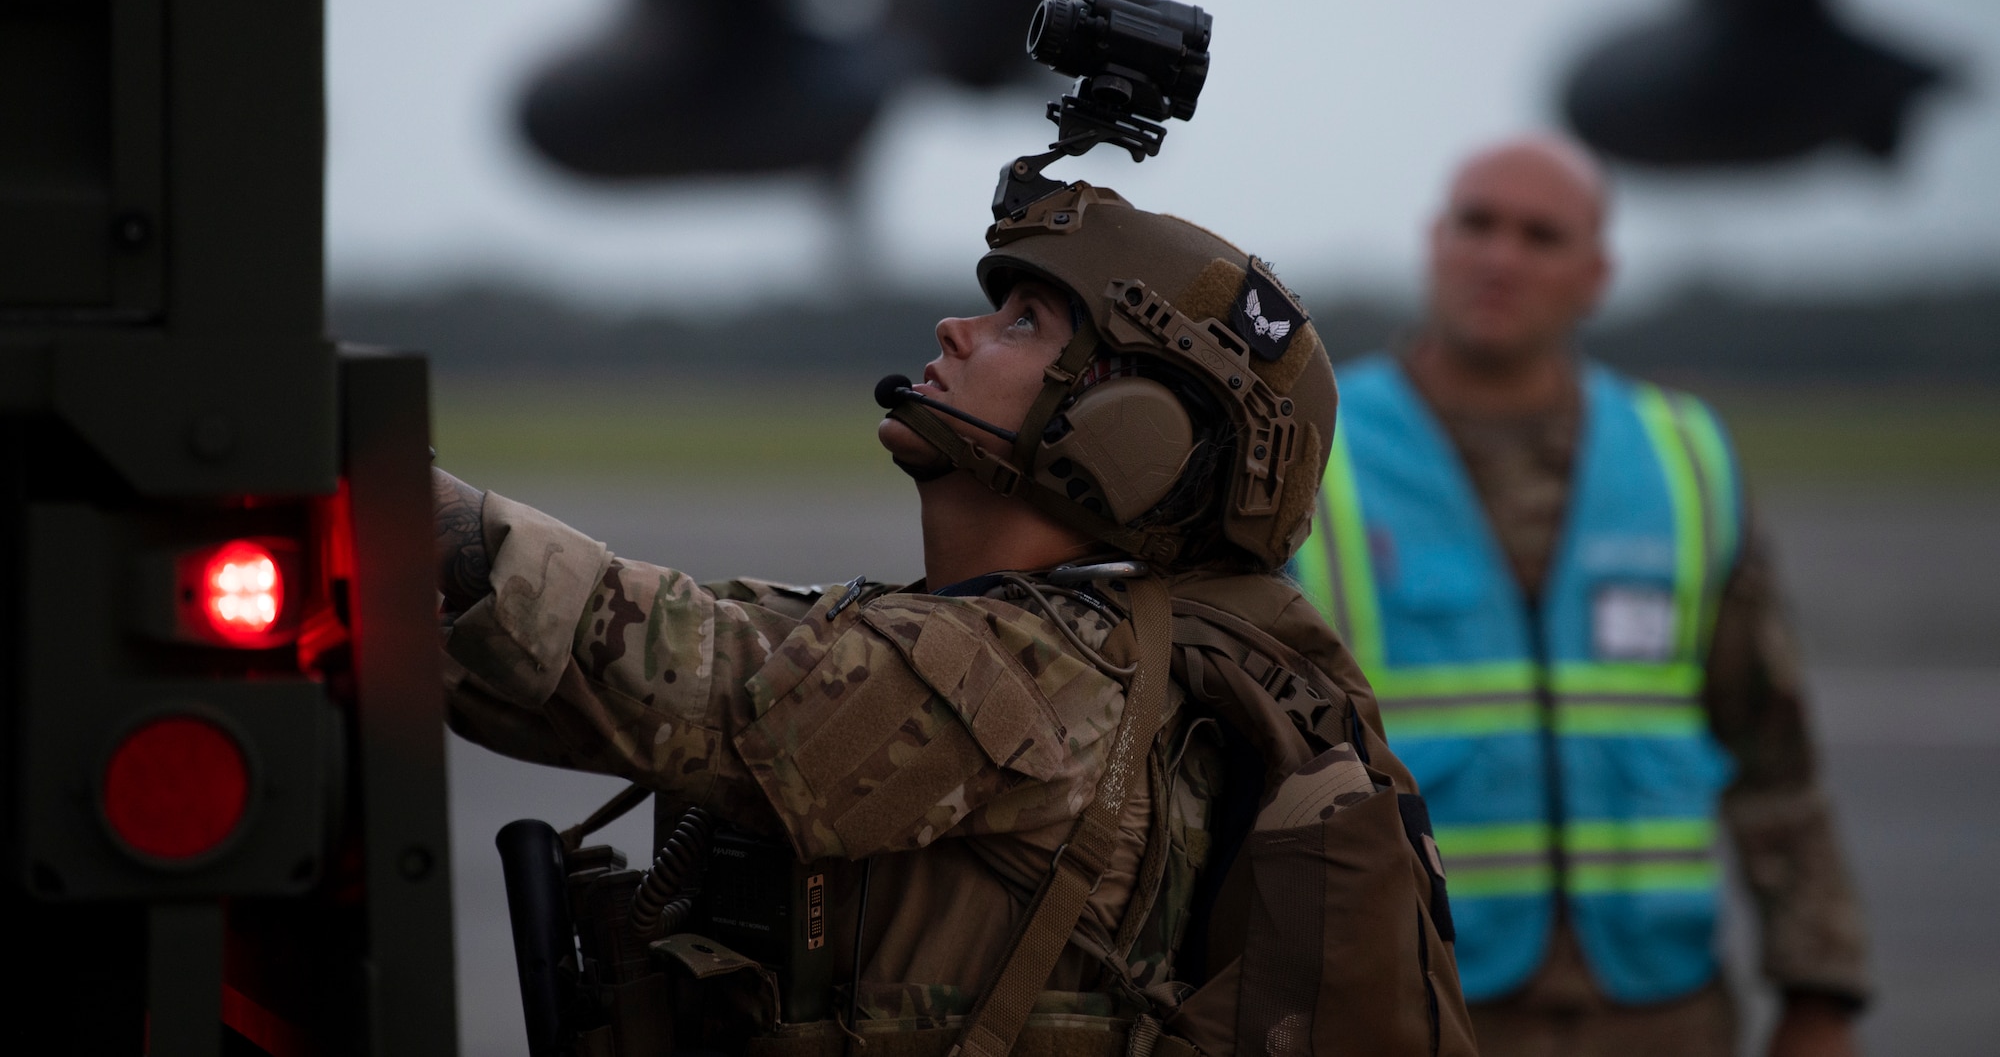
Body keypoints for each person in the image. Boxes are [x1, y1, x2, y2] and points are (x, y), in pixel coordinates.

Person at [432, 179, 1473, 1057]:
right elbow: (737, 646)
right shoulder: (1012, 637)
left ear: (1131, 433)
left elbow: (695, 677)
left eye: (1024, 322)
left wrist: (395, 496)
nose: (955, 329)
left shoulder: (1058, 677)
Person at [1290, 136, 1870, 1057]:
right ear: (1435, 240)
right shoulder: (1310, 452)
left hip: (1660, 1008)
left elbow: (1773, 751)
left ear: (1597, 274)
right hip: (1406, 1003)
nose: (1500, 255)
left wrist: (1820, 989)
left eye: (1541, 235)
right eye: (1476, 223)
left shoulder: (1683, 455)